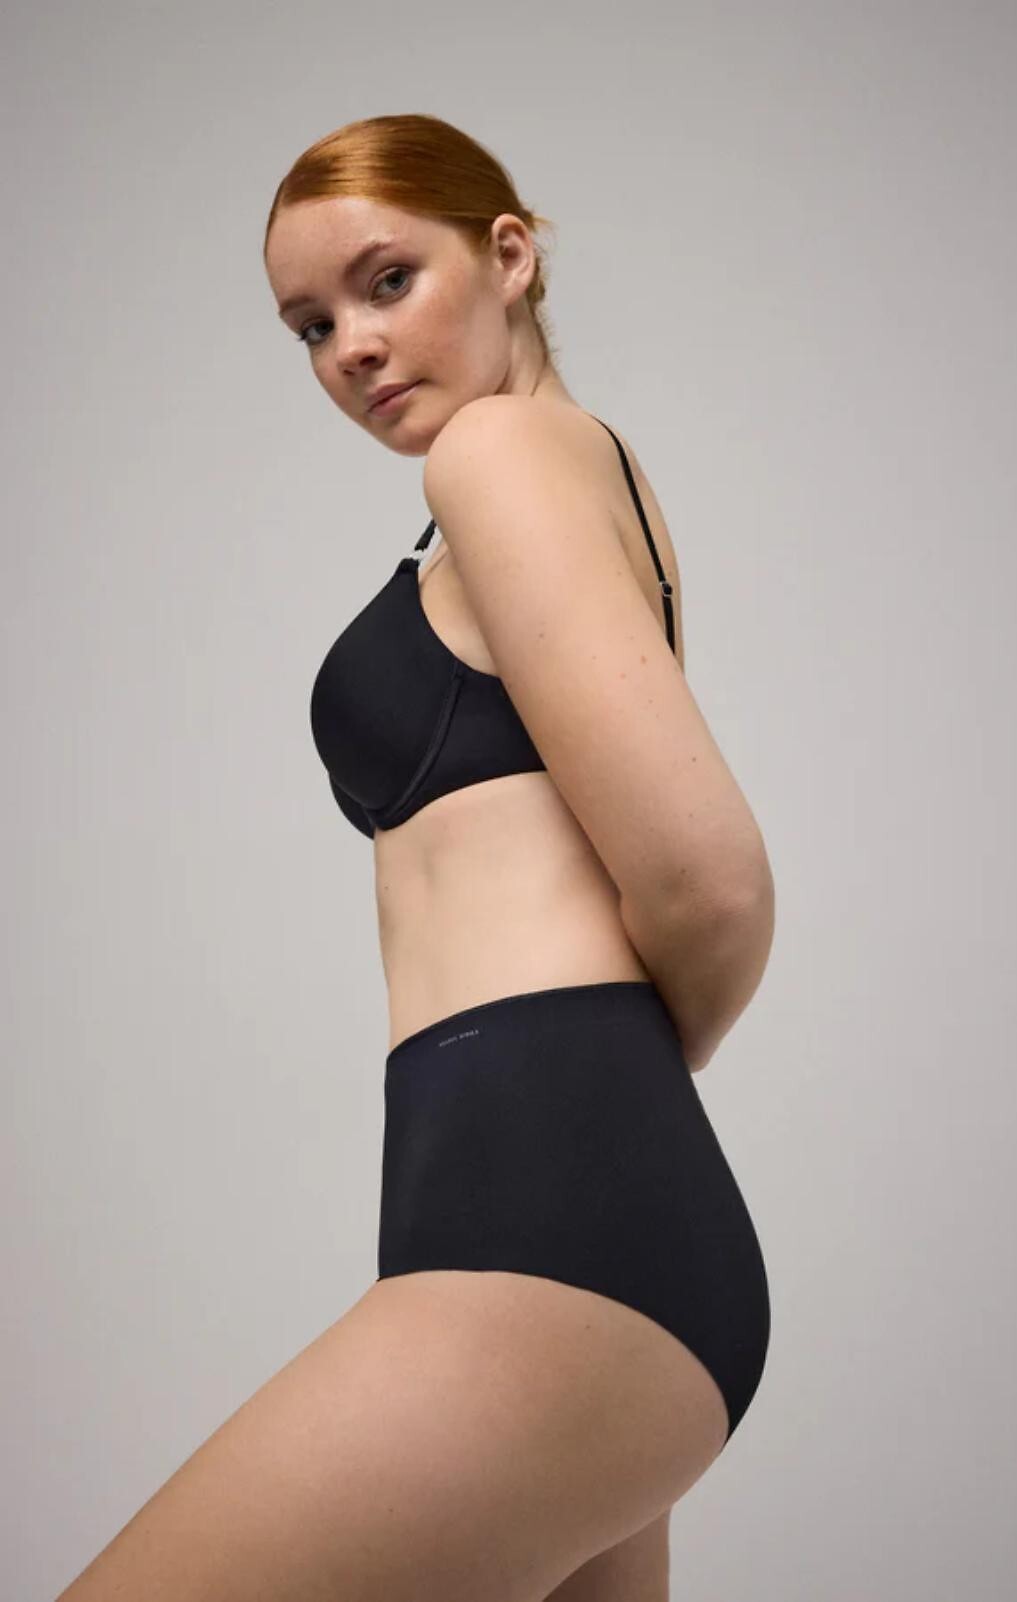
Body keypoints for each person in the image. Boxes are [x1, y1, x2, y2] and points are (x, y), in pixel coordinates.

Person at [57, 113, 776, 1602]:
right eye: (311, 325)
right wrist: (623, 1102)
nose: (352, 347)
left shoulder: (499, 456)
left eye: (387, 281)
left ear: (509, 256)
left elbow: (708, 885)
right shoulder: (579, 481)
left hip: (552, 1230)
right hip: (561, 1227)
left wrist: (606, 1094)